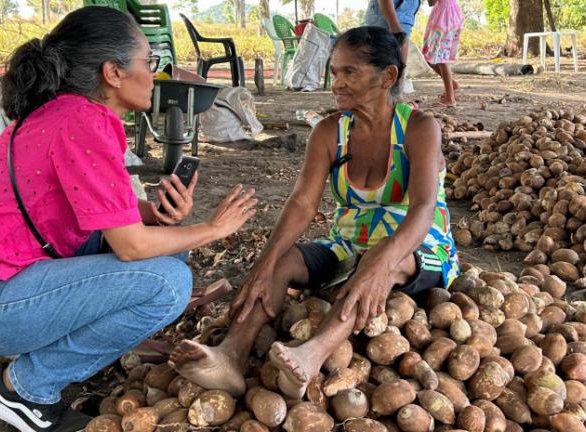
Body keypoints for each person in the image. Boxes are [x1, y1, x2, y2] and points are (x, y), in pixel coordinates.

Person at [0, 6, 257, 432]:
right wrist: (213, 230)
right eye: (149, 62)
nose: (155, 73)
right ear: (113, 72)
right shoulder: (80, 122)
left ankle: (63, 345)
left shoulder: (72, 114)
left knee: (168, 255)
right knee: (167, 283)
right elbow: (131, 246)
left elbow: (102, 216)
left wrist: (155, 212)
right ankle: (24, 389)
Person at [169, 26, 459, 400]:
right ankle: (231, 355)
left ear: (387, 76)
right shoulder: (328, 131)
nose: (336, 83)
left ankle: (312, 354)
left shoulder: (419, 128)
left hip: (416, 246)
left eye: (349, 72)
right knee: (283, 260)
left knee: (383, 258)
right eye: (334, 71)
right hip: (348, 241)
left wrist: (383, 260)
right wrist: (263, 265)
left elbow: (422, 208)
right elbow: (303, 204)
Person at [364, 0, 422, 93]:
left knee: (397, 74)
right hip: (387, 7)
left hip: (408, 7)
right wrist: (393, 24)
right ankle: (374, 101)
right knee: (377, 66)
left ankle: (393, 99)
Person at [421, 0, 463, 108]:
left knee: (440, 58)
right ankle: (452, 85)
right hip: (448, 13)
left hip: (444, 16)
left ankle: (450, 99)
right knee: (430, 56)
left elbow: (431, 2)